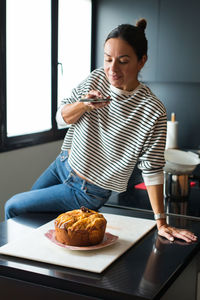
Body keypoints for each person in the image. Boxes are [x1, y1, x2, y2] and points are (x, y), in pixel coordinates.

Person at [5, 19, 197, 243]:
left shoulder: (152, 110)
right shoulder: (97, 78)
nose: (112, 69)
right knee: (31, 221)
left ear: (141, 61)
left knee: (14, 206)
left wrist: (161, 223)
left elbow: (152, 169)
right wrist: (84, 104)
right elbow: (61, 117)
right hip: (62, 165)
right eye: (108, 59)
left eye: (123, 61)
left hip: (87, 190)